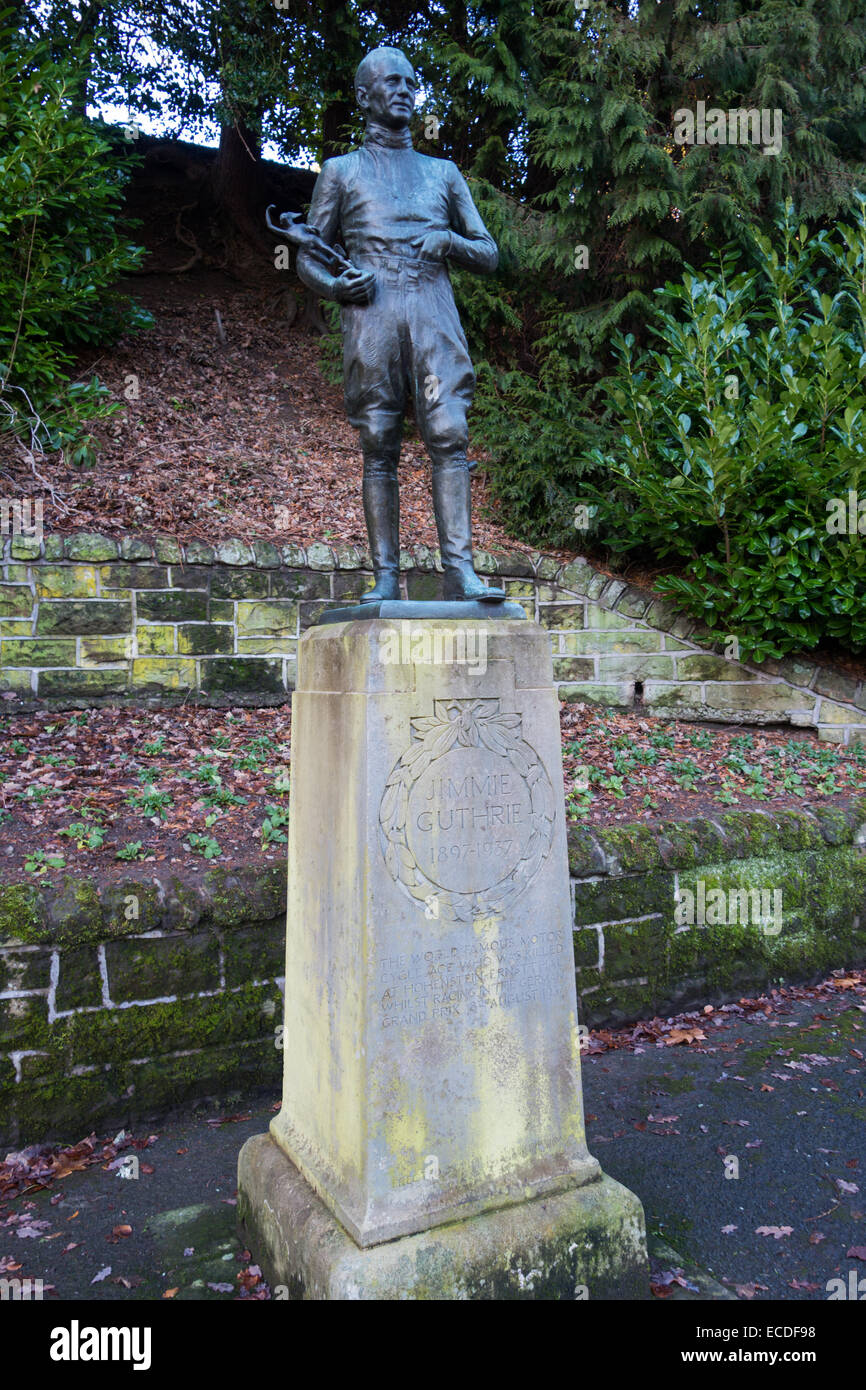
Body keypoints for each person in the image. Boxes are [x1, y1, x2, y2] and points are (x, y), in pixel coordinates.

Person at [295, 45, 506, 603]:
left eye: (411, 81)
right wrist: (337, 287)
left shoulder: (444, 173)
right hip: (373, 313)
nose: (405, 90)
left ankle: (458, 570)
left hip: (433, 307)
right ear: (364, 97)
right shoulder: (341, 172)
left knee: (449, 433)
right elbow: (308, 254)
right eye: (391, 82)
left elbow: (488, 253)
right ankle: (386, 576)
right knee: (379, 437)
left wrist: (449, 241)